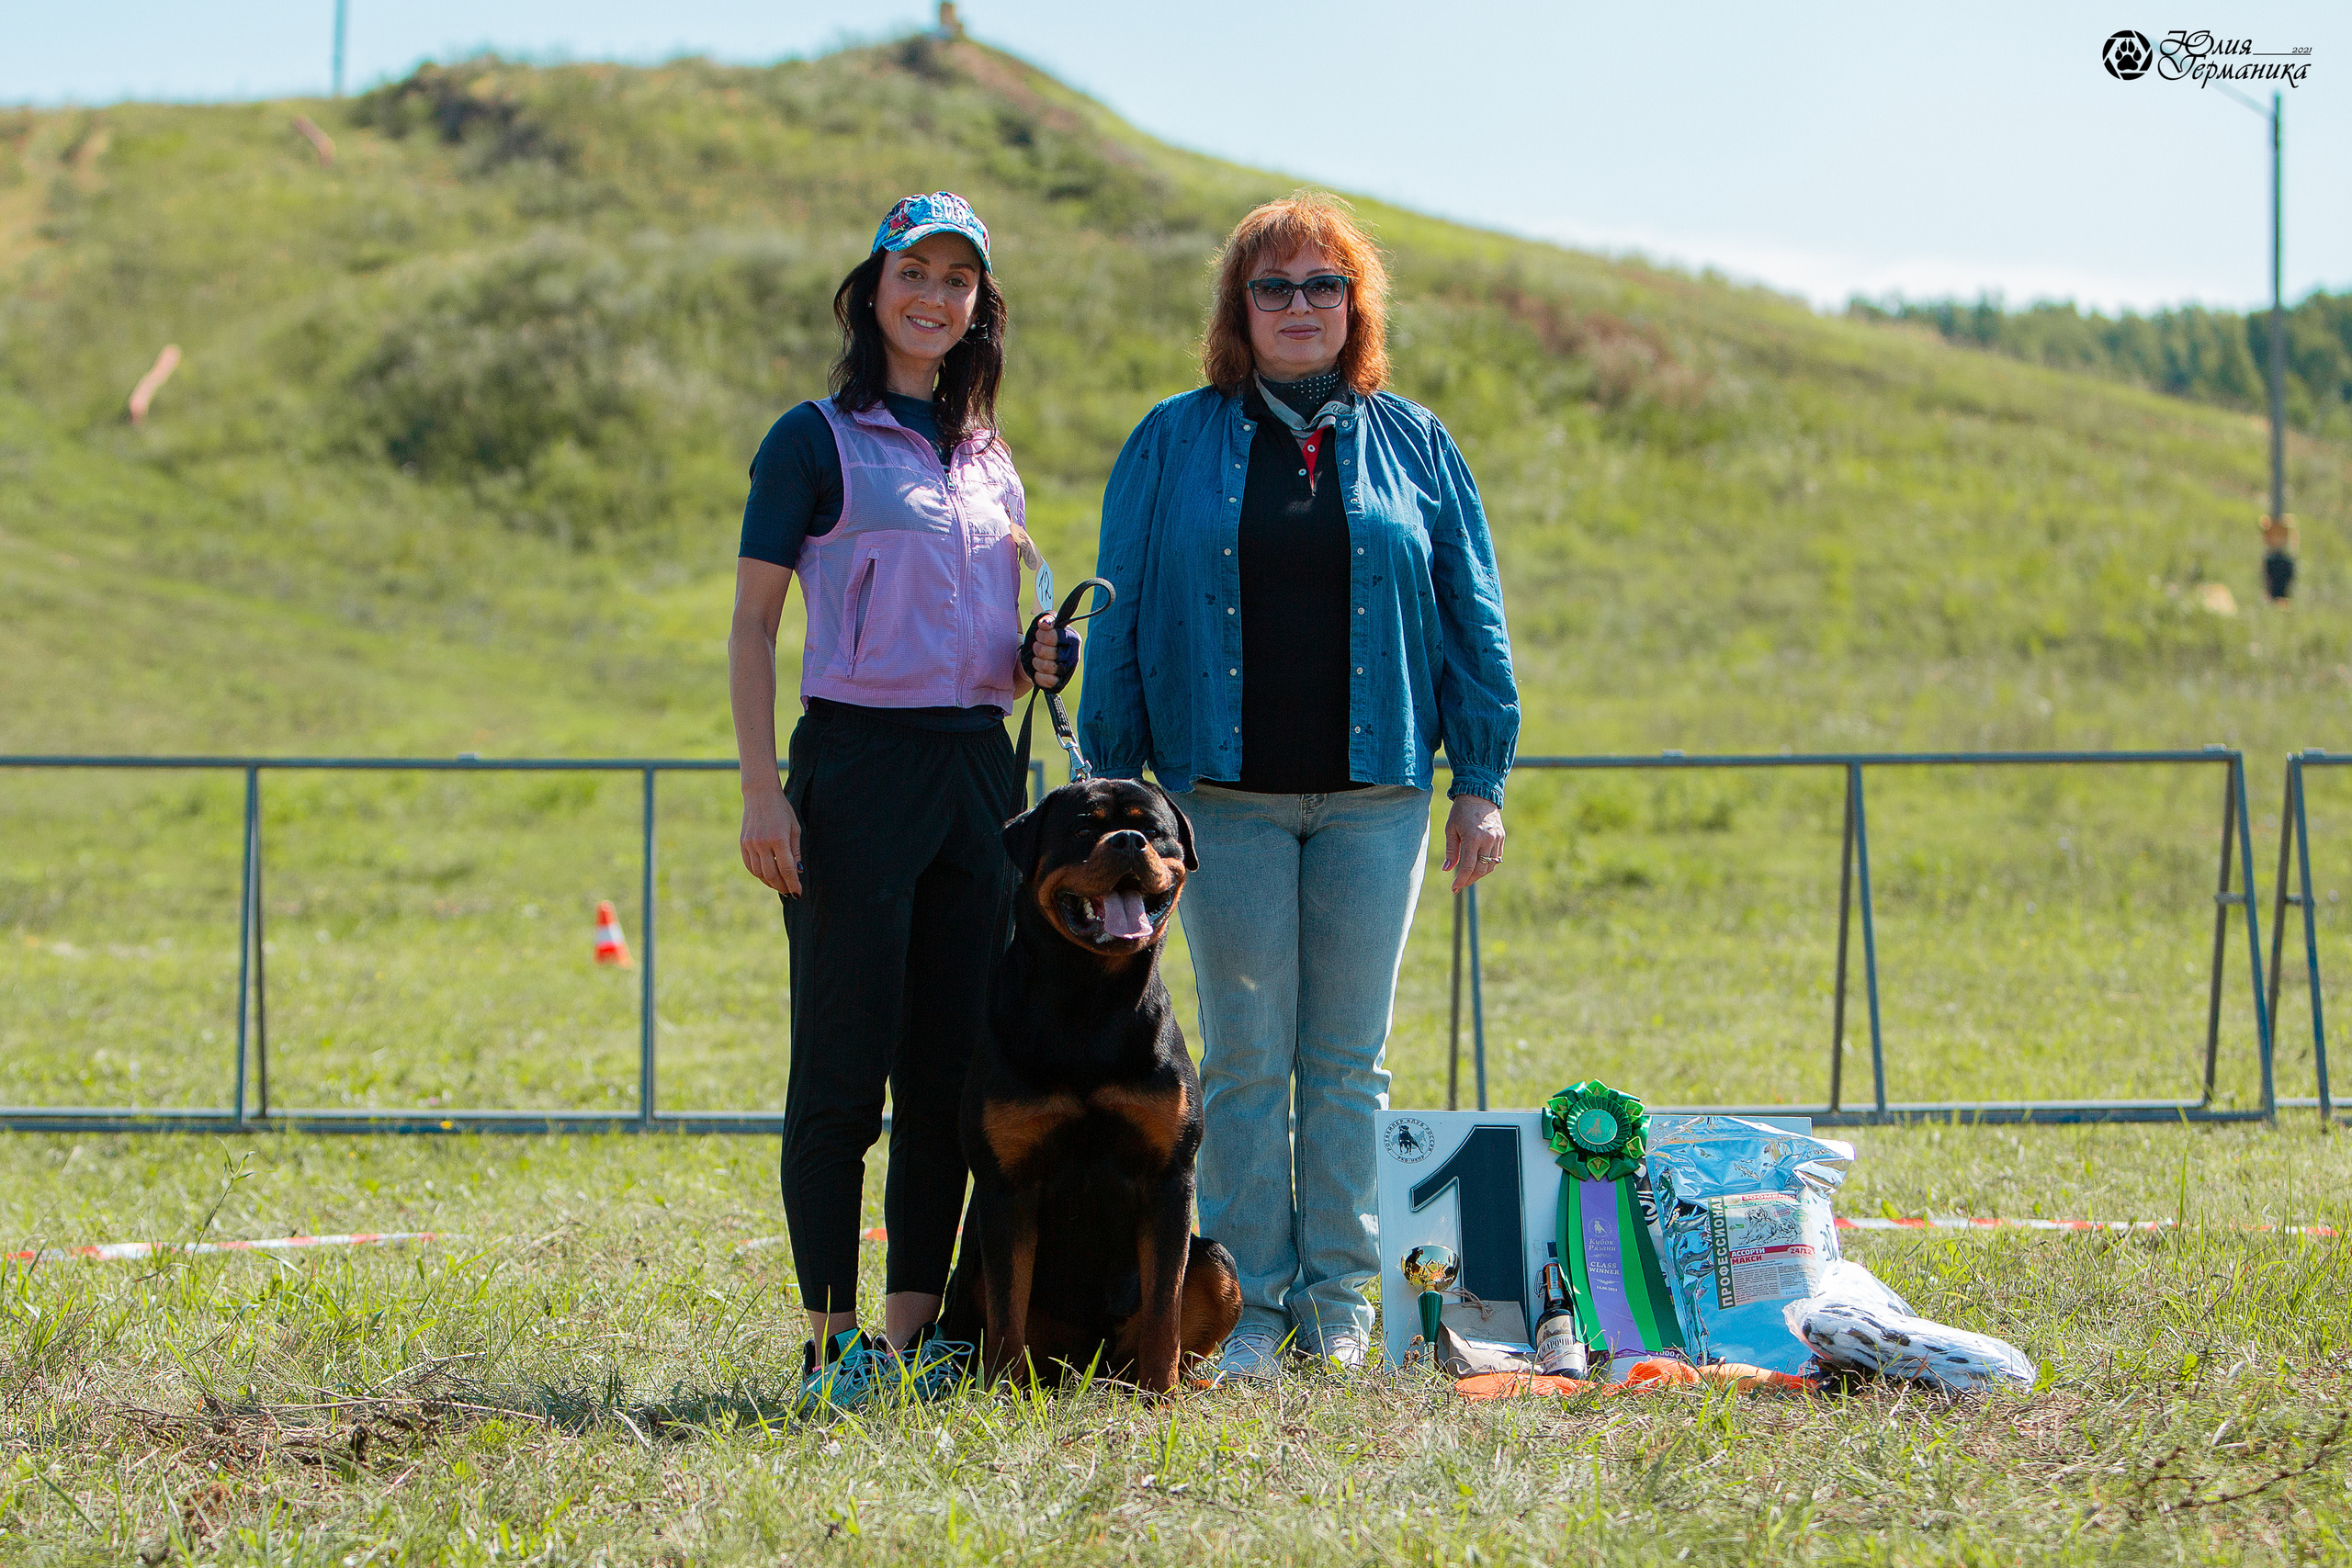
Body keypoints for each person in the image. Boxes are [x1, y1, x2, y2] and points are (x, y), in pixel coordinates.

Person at [1078, 192, 1519, 1374]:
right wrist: (1110, 785)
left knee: (1346, 1060)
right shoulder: (1169, 439)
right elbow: (1114, 612)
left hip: (1378, 796)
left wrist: (1479, 776)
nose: (1299, 307)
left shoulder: (1418, 442)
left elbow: (1472, 617)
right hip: (1220, 802)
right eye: (1273, 287)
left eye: (1324, 285)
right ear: (1239, 308)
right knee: (1242, 1057)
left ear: (1355, 306)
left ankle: (1340, 1307)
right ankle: (1243, 1307)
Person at [728, 192, 1071, 1408]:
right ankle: (829, 1343)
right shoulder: (811, 439)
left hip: (980, 771)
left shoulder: (988, 452)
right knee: (841, 1064)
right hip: (856, 768)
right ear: (870, 289)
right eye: (913, 273)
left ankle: (915, 1333)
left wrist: (1036, 654)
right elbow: (756, 624)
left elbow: (986, 621)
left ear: (981, 305)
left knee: (950, 1073)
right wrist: (765, 789)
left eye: (959, 280)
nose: (935, 297)